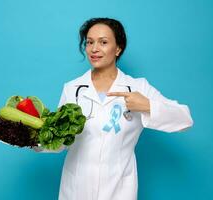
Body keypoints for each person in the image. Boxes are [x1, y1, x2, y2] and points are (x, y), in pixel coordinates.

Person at [33, 17, 194, 200]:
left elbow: (184, 119)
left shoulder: (137, 87)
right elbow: (61, 142)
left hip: (119, 191)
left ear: (118, 48)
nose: (94, 49)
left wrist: (147, 106)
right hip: (77, 190)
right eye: (89, 42)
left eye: (103, 42)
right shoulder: (73, 89)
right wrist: (31, 138)